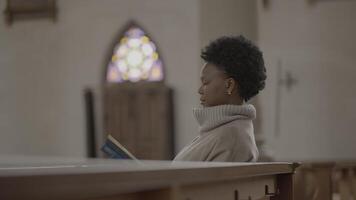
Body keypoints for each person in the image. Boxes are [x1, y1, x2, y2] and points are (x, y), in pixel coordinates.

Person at [173, 36, 266, 162]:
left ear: (229, 85)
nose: (200, 90)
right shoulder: (219, 131)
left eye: (205, 83)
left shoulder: (232, 138)